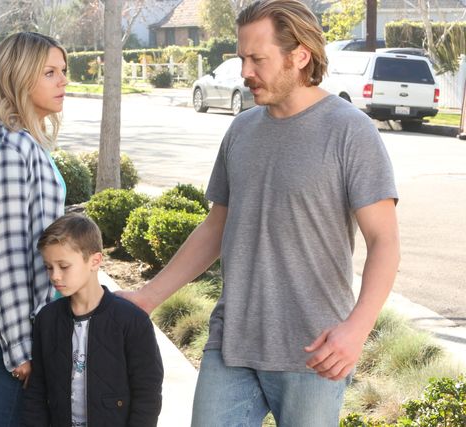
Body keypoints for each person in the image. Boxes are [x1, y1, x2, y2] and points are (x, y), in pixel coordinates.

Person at [118, 1, 400, 425]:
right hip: (232, 341)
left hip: (314, 349)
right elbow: (216, 227)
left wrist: (357, 329)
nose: (245, 72)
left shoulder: (349, 131)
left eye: (257, 59)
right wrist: (147, 297)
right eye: (241, 58)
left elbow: (385, 242)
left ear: (299, 56)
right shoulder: (242, 129)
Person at [0, 32, 68, 427]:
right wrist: (21, 349)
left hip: (35, 323)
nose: (63, 81)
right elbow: (6, 256)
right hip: (22, 333)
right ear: (20, 77)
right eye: (50, 72)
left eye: (63, 71)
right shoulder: (8, 149)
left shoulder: (23, 142)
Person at [21, 213, 164, 427]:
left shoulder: (132, 321)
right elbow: (37, 390)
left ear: (95, 261)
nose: (55, 276)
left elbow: (147, 393)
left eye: (64, 266)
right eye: (49, 267)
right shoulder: (47, 319)